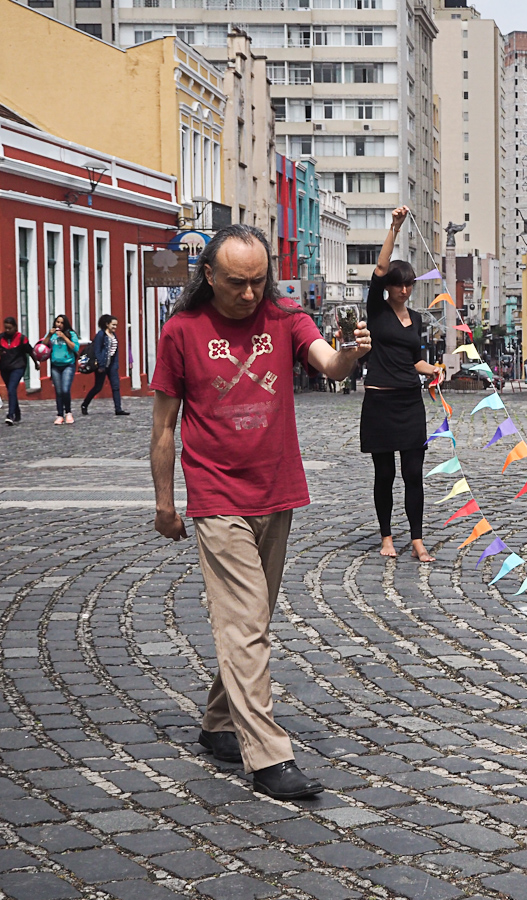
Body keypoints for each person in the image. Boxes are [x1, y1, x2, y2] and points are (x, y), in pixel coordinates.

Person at [149, 224, 371, 800]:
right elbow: (164, 428)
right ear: (208, 275)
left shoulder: (285, 316)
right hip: (216, 493)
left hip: (276, 489)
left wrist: (349, 353)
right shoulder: (181, 331)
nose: (249, 294)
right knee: (246, 622)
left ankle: (220, 722)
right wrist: (165, 503)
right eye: (236, 283)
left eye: (258, 280)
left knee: (254, 618)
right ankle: (269, 756)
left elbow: (329, 365)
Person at [363, 206, 442, 562]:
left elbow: (415, 361)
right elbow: (380, 268)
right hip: (380, 403)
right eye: (399, 284)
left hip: (410, 403)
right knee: (385, 474)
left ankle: (417, 540)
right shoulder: (376, 310)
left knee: (413, 474)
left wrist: (434, 370)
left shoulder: (416, 319)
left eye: (409, 284)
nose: (405, 290)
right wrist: (394, 228)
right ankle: (386, 537)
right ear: (388, 287)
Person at [81, 314, 127, 416]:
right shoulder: (101, 335)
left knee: (116, 386)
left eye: (116, 325)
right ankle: (84, 404)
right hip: (102, 365)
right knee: (98, 387)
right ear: (107, 324)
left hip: (112, 365)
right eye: (113, 325)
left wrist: (115, 365)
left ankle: (118, 409)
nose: (115, 327)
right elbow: (97, 350)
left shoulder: (114, 336)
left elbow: (115, 352)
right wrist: (101, 365)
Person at [45, 315, 80, 425]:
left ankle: (68, 412)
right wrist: (49, 335)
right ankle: (60, 414)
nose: (59, 325)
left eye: (61, 323)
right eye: (57, 322)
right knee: (58, 391)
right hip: (55, 365)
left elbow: (75, 347)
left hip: (68, 365)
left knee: (65, 389)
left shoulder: (71, 334)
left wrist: (64, 337)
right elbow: (43, 346)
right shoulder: (52, 334)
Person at [1, 318, 34, 426]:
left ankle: (10, 415)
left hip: (18, 367)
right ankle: (17, 412)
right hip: (5, 368)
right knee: (11, 390)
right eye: (6, 328)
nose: (7, 330)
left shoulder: (21, 338)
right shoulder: (1, 338)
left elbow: (30, 351)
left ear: (15, 327)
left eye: (9, 328)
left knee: (11, 388)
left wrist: (36, 363)